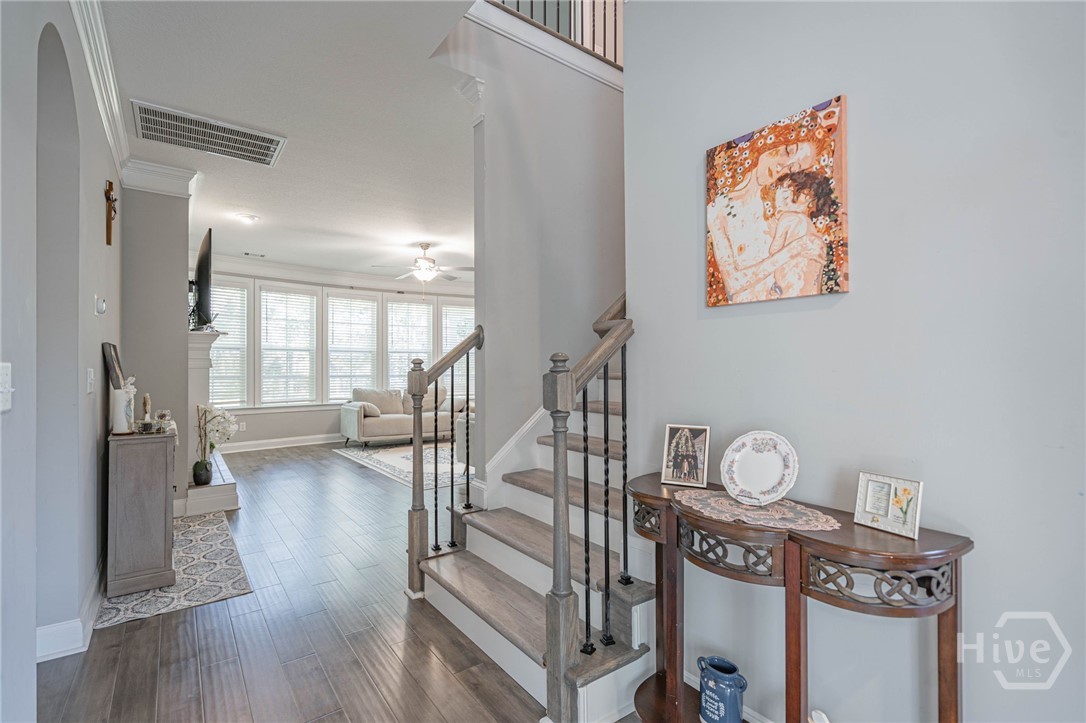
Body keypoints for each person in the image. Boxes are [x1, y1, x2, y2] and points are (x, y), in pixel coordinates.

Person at [766, 170, 837, 297]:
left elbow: (774, 252)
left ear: (808, 197)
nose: (782, 194)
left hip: (788, 287)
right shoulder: (812, 230)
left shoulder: (789, 218)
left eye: (789, 189)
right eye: (781, 188)